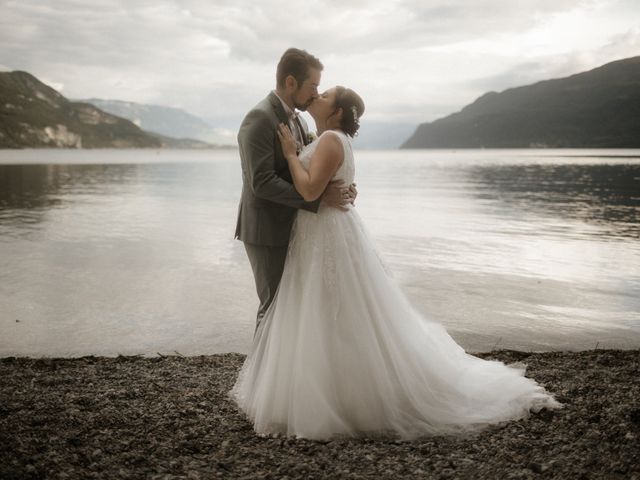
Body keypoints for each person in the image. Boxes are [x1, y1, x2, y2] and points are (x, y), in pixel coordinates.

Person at [231, 86, 562, 440]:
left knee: (333, 309)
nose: (320, 93)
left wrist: (290, 155)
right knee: (328, 309)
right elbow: (328, 182)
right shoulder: (326, 136)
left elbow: (311, 191)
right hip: (320, 232)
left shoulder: (329, 137)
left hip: (325, 232)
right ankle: (325, 389)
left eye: (327, 93)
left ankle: (340, 398)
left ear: (339, 111)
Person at [235, 48, 356, 332]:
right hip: (266, 228)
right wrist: (317, 198)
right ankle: (260, 375)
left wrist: (345, 187)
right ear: (291, 82)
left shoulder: (299, 120)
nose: (315, 93)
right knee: (273, 306)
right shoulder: (259, 118)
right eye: (312, 86)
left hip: (294, 226)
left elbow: (311, 169)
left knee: (292, 306)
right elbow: (261, 182)